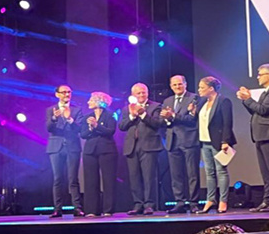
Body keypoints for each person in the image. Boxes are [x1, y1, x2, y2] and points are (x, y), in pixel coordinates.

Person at [236, 64, 269, 212]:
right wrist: (246, 100)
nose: (258, 77)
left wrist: (248, 99)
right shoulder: (267, 92)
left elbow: (263, 110)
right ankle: (267, 200)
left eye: (260, 74)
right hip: (261, 135)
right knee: (266, 172)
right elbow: (256, 112)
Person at [119, 82, 163, 215]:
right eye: (138, 93)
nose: (142, 95)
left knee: (149, 177)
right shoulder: (126, 109)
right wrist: (132, 116)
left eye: (144, 92)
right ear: (133, 95)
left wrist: (143, 114)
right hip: (132, 146)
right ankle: (138, 203)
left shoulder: (156, 106)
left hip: (149, 146)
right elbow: (122, 126)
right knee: (134, 177)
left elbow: (157, 123)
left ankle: (149, 204)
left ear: (147, 93)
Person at [195, 76, 236, 214]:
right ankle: (210, 199)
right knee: (209, 173)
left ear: (211, 88)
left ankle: (223, 200)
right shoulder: (202, 102)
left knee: (221, 171)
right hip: (204, 141)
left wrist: (225, 141)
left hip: (218, 141)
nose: (199, 90)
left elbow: (227, 123)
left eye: (202, 87)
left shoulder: (223, 101)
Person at [161, 75, 201, 214]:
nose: (177, 87)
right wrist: (166, 119)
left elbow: (192, 119)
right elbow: (165, 121)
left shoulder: (194, 98)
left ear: (185, 84)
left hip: (189, 139)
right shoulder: (167, 100)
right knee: (176, 174)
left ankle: (194, 202)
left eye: (180, 84)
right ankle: (180, 202)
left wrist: (173, 116)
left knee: (192, 174)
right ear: (171, 86)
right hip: (172, 141)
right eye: (174, 85)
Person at [46, 84, 84, 218]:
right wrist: (54, 118)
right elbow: (48, 128)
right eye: (63, 92)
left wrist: (70, 120)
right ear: (57, 94)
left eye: (69, 92)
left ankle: (77, 207)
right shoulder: (51, 110)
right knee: (58, 179)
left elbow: (80, 129)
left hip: (72, 146)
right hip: (56, 147)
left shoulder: (76, 110)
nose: (67, 95)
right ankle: (57, 209)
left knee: (73, 178)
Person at [80, 92, 118, 217]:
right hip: (90, 151)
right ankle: (91, 210)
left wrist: (97, 126)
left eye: (91, 100)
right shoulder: (87, 117)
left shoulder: (110, 115)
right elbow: (83, 134)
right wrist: (91, 128)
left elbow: (110, 131)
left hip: (107, 150)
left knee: (108, 180)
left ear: (99, 101)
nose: (88, 102)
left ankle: (108, 209)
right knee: (90, 181)